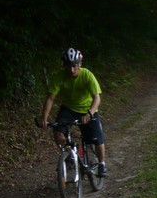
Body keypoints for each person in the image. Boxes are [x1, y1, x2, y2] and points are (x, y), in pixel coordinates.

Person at [40, 48, 108, 177]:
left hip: (87, 109)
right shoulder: (60, 77)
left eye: (74, 66)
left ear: (80, 64)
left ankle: (102, 164)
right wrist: (44, 117)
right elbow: (50, 98)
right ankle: (72, 154)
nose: (71, 70)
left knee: (96, 138)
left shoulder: (87, 75)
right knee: (58, 132)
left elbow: (97, 98)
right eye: (68, 66)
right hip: (69, 109)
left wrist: (90, 113)